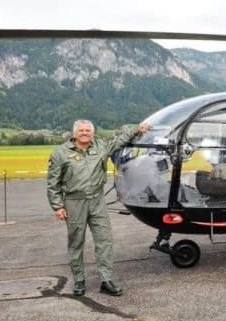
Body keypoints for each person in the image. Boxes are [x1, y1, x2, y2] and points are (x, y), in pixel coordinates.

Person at [47, 119, 150, 297]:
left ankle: (106, 280)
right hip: (74, 202)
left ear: (93, 133)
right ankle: (79, 281)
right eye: (81, 130)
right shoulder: (60, 153)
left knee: (105, 240)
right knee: (76, 243)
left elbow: (120, 139)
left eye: (88, 130)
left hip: (97, 201)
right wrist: (57, 206)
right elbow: (53, 183)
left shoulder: (101, 147)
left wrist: (137, 129)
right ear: (74, 133)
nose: (85, 133)